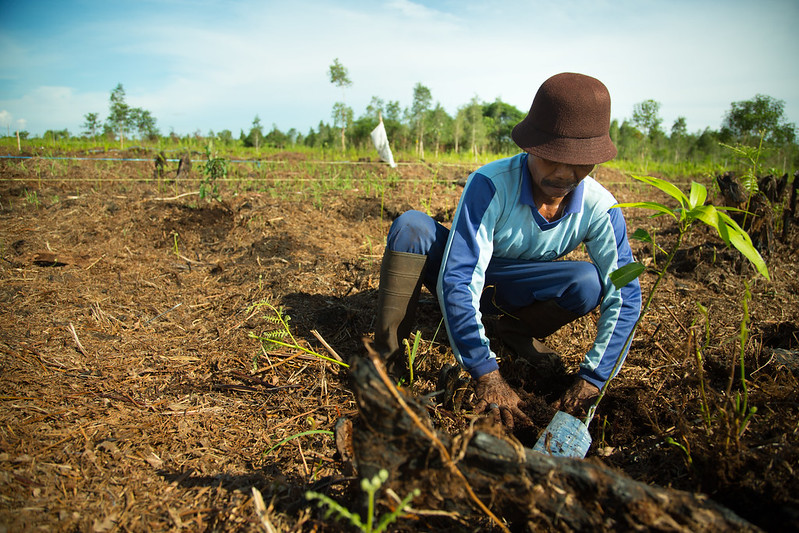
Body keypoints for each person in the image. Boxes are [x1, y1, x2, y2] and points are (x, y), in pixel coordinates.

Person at [373, 72, 642, 429]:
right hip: (466, 272)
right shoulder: (491, 184)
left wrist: (593, 379)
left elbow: (626, 293)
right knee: (412, 227)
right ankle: (387, 360)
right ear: (531, 147)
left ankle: (511, 332)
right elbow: (459, 276)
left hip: (515, 288)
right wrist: (485, 372)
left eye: (578, 162)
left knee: (589, 281)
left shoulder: (600, 207)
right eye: (551, 157)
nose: (563, 172)